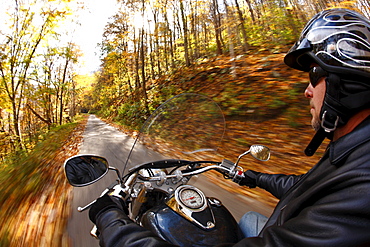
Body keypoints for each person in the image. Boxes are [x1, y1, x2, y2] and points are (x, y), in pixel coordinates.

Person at [88, 8, 370, 246]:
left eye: (314, 76)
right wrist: (251, 177)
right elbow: (306, 186)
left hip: (281, 231)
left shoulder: (362, 189)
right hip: (284, 222)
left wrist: (111, 221)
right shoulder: (352, 150)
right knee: (247, 219)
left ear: (344, 84)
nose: (307, 91)